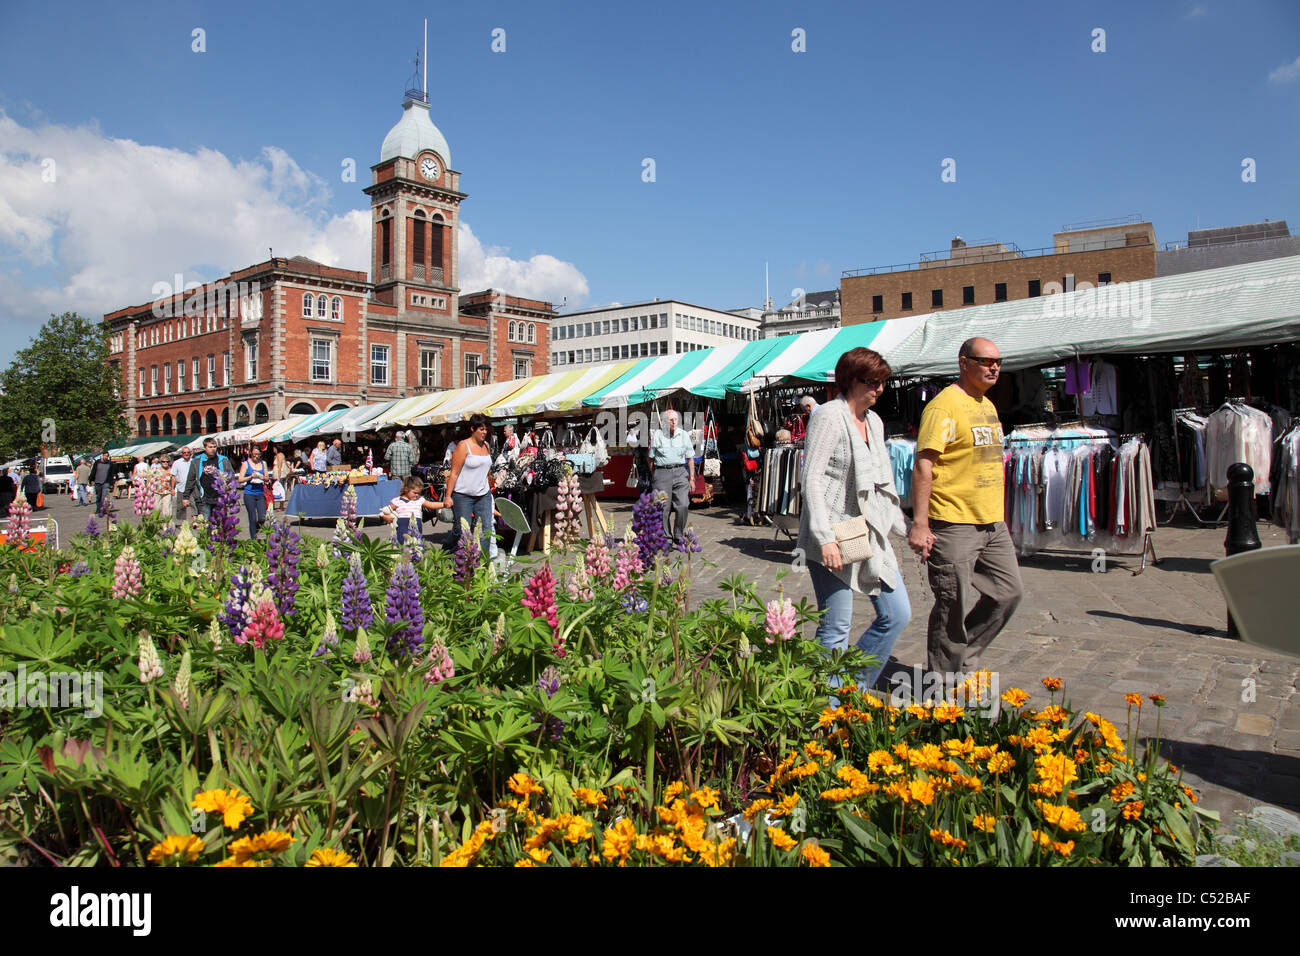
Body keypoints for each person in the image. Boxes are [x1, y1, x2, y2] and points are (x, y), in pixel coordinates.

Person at [908, 337, 1023, 677]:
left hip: (991, 522)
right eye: (986, 361)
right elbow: (923, 466)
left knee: (1008, 593)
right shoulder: (943, 407)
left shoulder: (986, 405)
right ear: (964, 363)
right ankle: (942, 682)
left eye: (998, 361)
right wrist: (920, 523)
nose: (995, 367)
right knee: (951, 605)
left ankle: (962, 656)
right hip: (953, 522)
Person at [799, 347, 912, 690]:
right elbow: (812, 477)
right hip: (833, 532)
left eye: (883, 382)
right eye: (872, 381)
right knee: (836, 626)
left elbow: (882, 480)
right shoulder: (829, 416)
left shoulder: (874, 422)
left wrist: (904, 527)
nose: (879, 388)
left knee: (897, 614)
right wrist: (825, 537)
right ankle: (826, 709)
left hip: (867, 531)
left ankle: (852, 686)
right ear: (851, 380)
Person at [444, 414, 494, 554]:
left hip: (483, 494)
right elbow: (453, 473)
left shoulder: (486, 446)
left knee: (486, 529)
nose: (484, 432)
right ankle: (448, 552)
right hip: (462, 495)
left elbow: (487, 470)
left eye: (486, 429)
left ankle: (482, 562)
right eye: (481, 429)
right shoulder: (463, 446)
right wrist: (448, 496)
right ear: (472, 429)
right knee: (461, 530)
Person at [650, 409, 695, 543]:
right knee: (663, 507)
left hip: (680, 471)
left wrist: (691, 478)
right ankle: (666, 537)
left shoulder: (684, 435)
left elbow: (690, 458)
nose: (674, 422)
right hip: (662, 472)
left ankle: (678, 534)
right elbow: (650, 458)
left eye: (675, 419)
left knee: (683, 505)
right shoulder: (657, 435)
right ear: (664, 422)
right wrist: (655, 475)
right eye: (670, 419)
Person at [381, 475, 448, 544]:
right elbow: (386, 510)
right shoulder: (397, 501)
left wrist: (444, 504)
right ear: (406, 489)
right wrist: (385, 517)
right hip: (402, 527)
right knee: (401, 544)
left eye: (419, 493)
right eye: (415, 493)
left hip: (416, 526)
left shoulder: (420, 500)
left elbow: (431, 505)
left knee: (416, 545)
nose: (417, 495)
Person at [183, 438, 234, 520]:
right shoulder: (197, 461)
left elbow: (231, 476)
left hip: (219, 497)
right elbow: (191, 480)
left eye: (214, 447)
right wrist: (185, 497)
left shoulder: (223, 460)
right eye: (210, 447)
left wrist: (230, 490)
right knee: (205, 524)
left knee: (219, 524)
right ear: (205, 448)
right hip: (204, 498)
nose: (213, 449)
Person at [236, 445, 270, 538]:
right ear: (251, 453)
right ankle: (253, 539)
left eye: (258, 454)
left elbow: (267, 478)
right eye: (254, 454)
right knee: (252, 518)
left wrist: (262, 477)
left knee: (262, 517)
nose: (256, 456)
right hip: (249, 493)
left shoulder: (263, 463)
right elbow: (240, 479)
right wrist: (250, 477)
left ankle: (255, 530)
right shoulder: (246, 464)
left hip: (260, 493)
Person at [170, 448, 194, 523]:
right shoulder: (177, 463)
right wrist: (172, 488)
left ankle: (195, 522)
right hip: (181, 487)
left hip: (193, 487)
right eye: (184, 452)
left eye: (187, 452)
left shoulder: (194, 461)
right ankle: (184, 523)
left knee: (194, 504)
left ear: (190, 453)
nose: (186, 454)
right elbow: (173, 476)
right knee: (181, 506)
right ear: (181, 454)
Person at [90, 452, 114, 516]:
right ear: (102, 456)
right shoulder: (97, 462)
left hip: (106, 482)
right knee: (98, 496)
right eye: (105, 456)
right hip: (97, 482)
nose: (106, 457)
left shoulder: (110, 464)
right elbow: (93, 471)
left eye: (107, 456)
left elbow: (111, 474)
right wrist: (91, 480)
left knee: (104, 497)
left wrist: (111, 483)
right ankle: (98, 509)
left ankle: (103, 509)